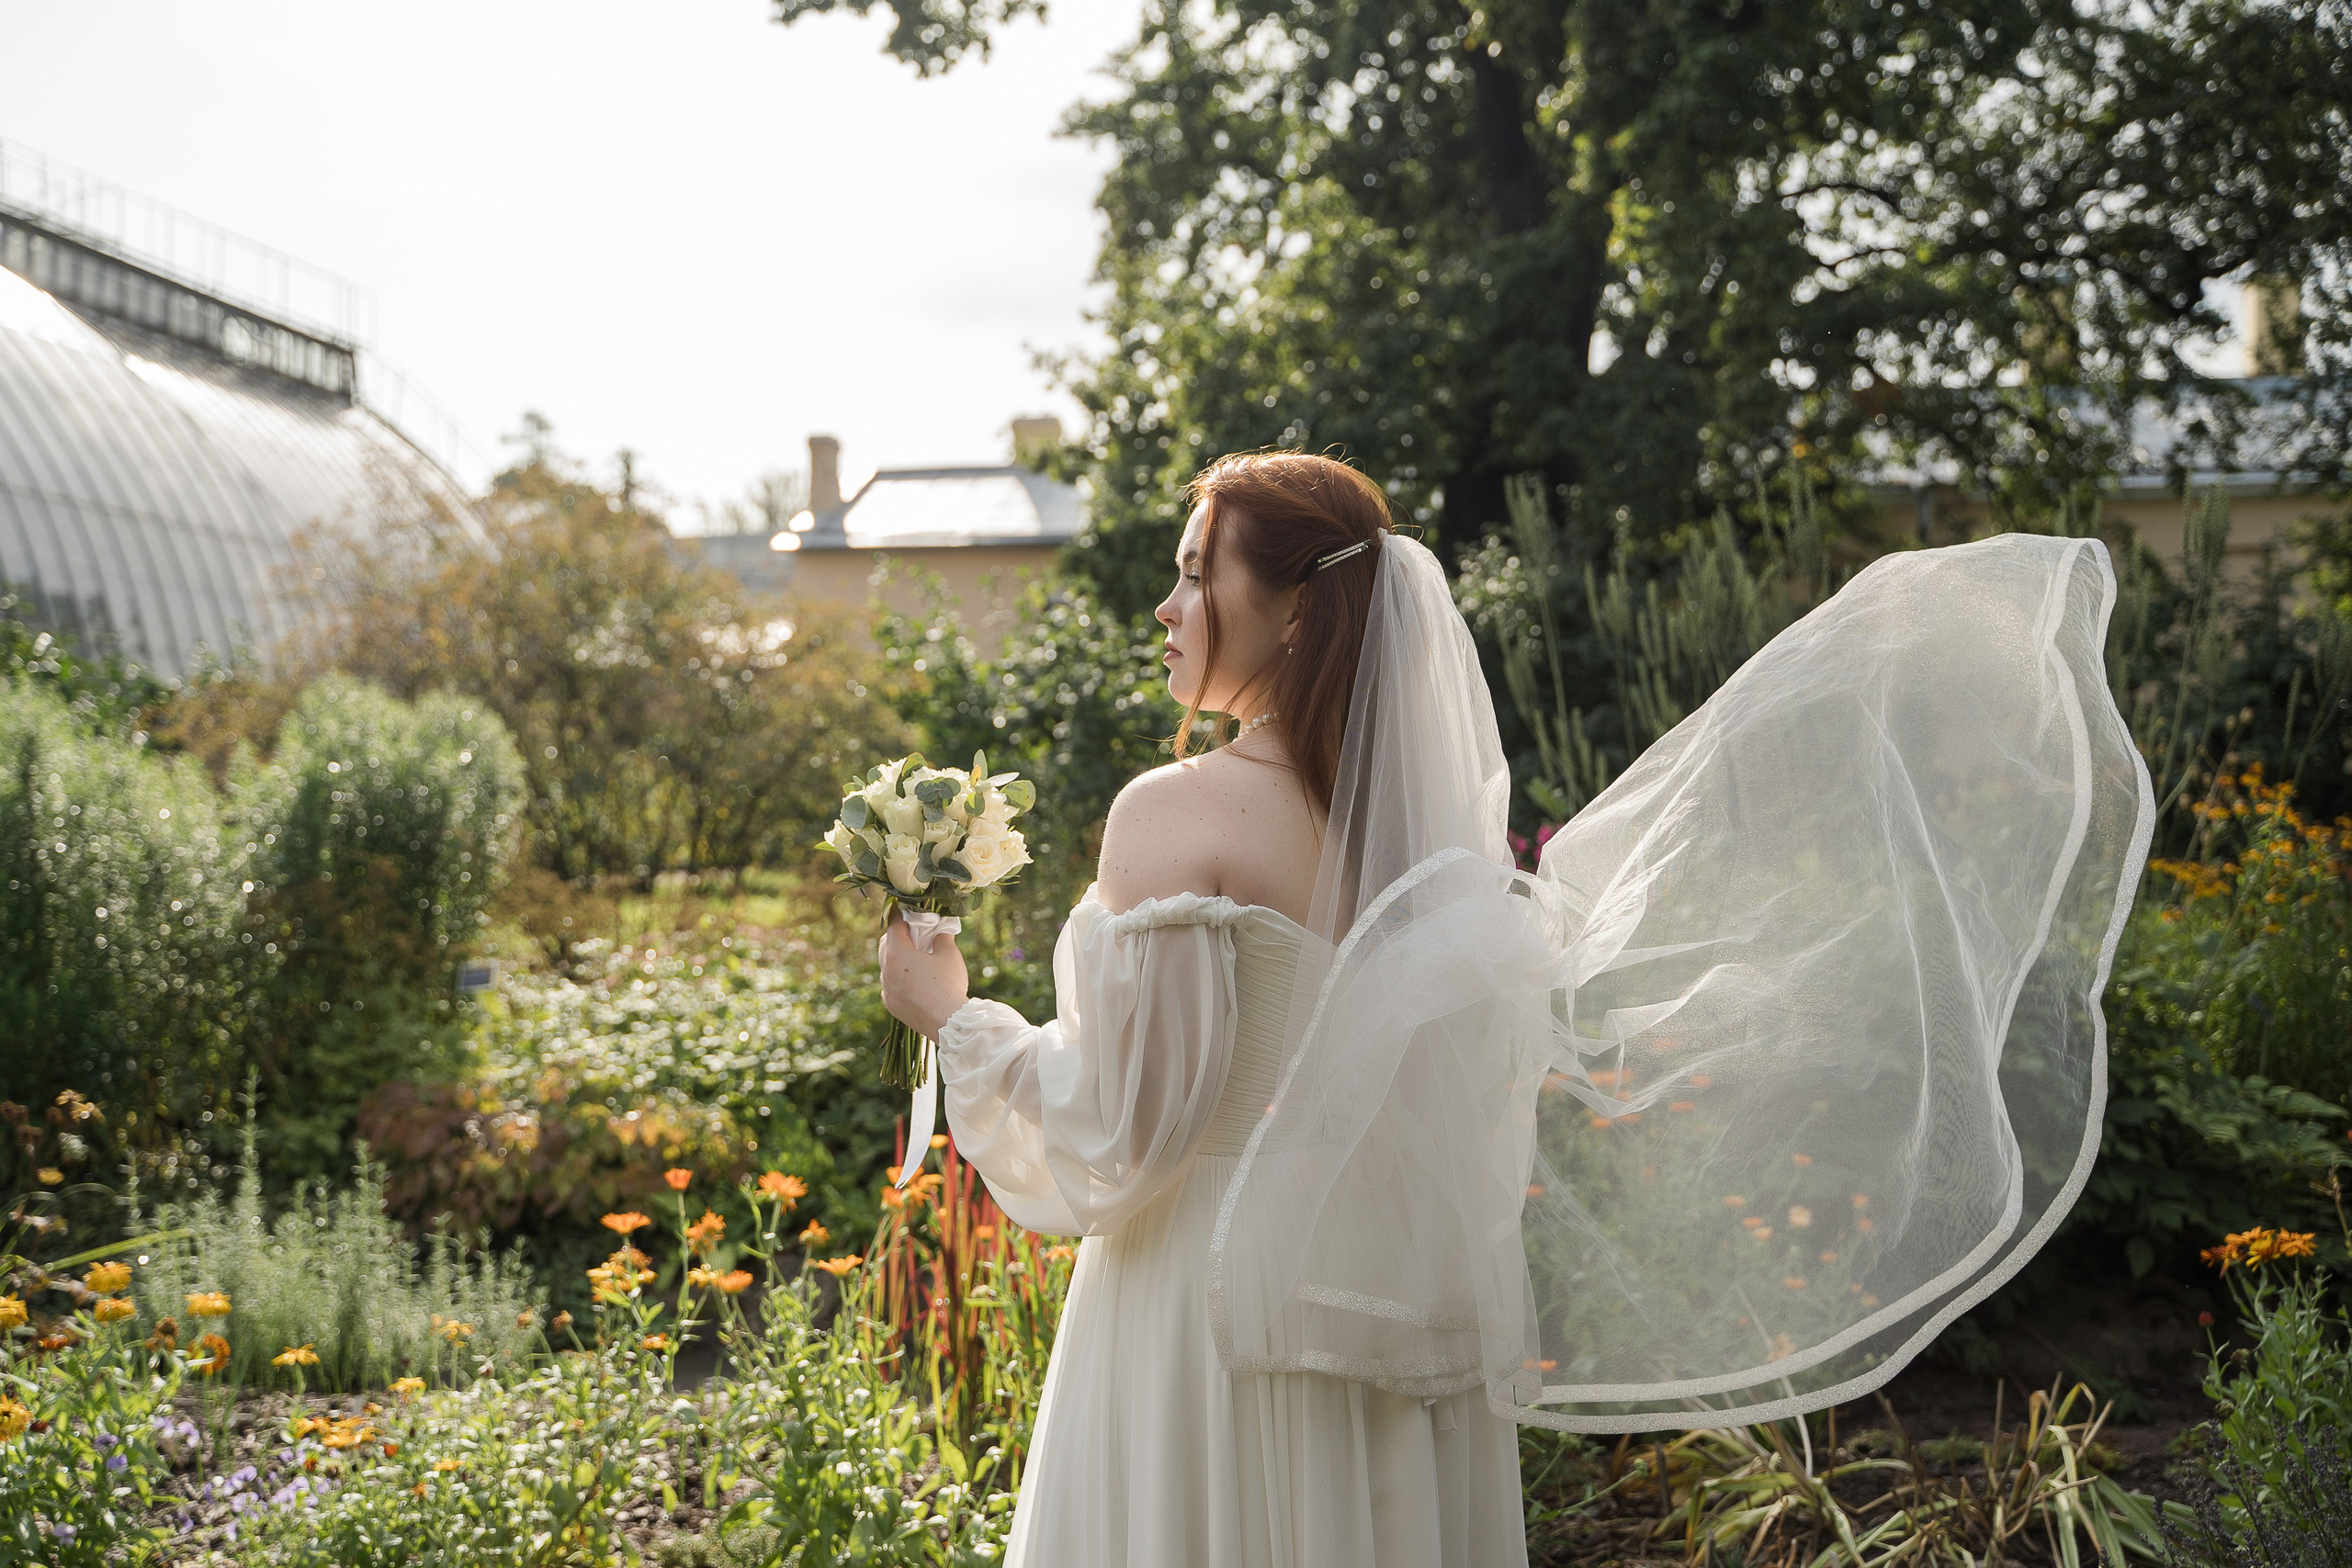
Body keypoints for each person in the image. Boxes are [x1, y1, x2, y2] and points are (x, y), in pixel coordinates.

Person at [880, 452, 2152, 1567]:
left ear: (1297, 608)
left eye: (1198, 575)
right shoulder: (1427, 855)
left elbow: (1124, 1132)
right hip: (1382, 1316)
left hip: (1209, 1315)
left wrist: (953, 1019)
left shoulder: (1172, 815)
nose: (1167, 610)